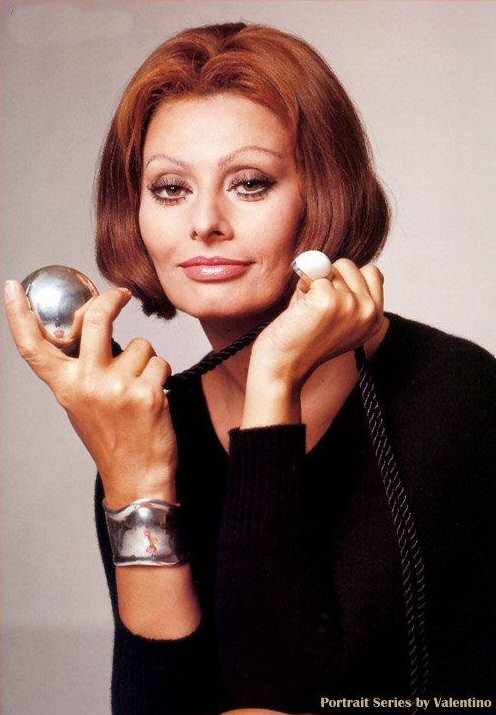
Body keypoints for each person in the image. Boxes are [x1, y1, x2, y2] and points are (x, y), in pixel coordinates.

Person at [5, 21, 495, 715]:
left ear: (322, 195)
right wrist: (136, 480)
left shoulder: (457, 399)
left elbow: (277, 702)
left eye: (250, 183)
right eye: (170, 188)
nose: (205, 221)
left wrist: (272, 383)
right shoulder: (144, 435)